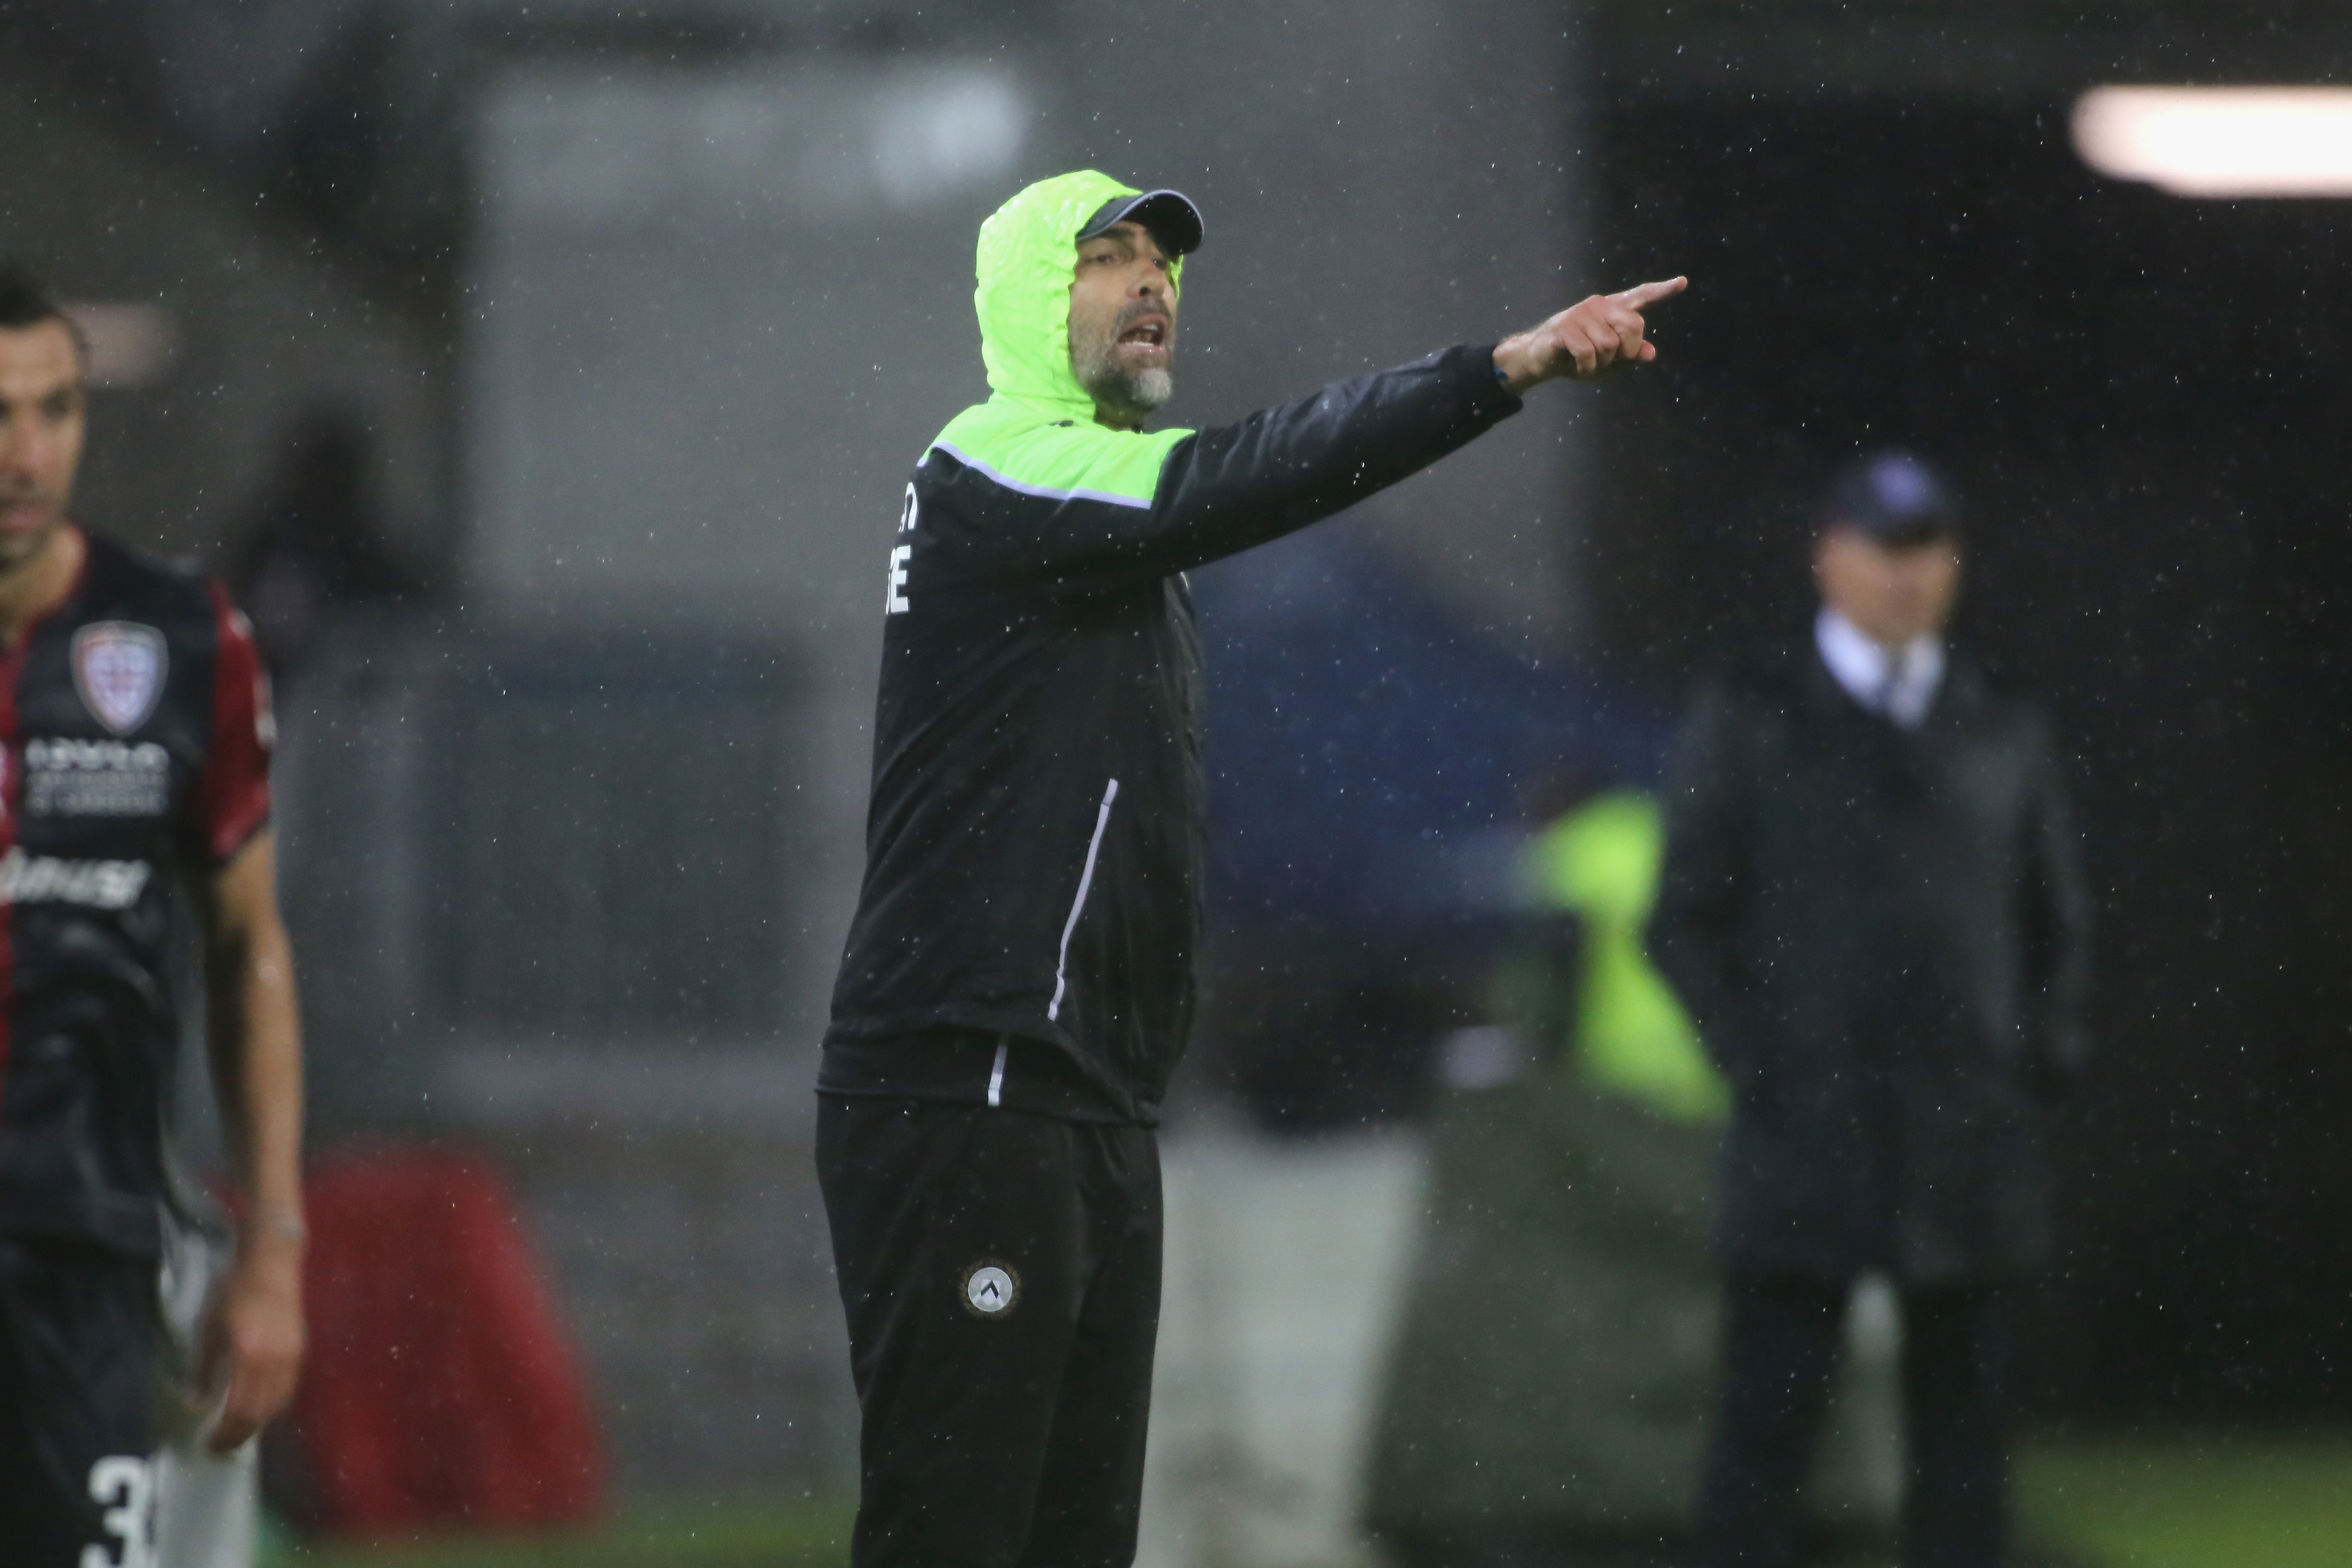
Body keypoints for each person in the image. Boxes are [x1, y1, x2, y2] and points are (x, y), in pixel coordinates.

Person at [818, 169, 1684, 1568]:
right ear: (1029, 298)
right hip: (973, 1084)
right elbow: (1250, 472)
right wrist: (1498, 370)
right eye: (1107, 257)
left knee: (1072, 1537)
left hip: (1083, 1097)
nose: (1151, 279)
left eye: (1160, 257)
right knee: (956, 1531)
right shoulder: (997, 459)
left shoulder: (1102, 527)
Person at [1649, 451, 2091, 1568]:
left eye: (1929, 552)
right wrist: (1759, 1059)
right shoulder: (1755, 715)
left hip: (1966, 1141)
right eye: (1887, 551)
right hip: (1808, 1134)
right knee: (1764, 1434)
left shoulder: (2000, 723)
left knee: (1966, 1446)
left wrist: (2032, 1055)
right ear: (1831, 557)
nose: (1909, 578)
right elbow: (1684, 915)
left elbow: (2055, 920)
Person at [0, 263, 306, 1565]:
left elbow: (252, 954)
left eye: (57, 410)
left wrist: (273, 1254)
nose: (27, 454)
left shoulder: (178, 640)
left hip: (90, 1241)